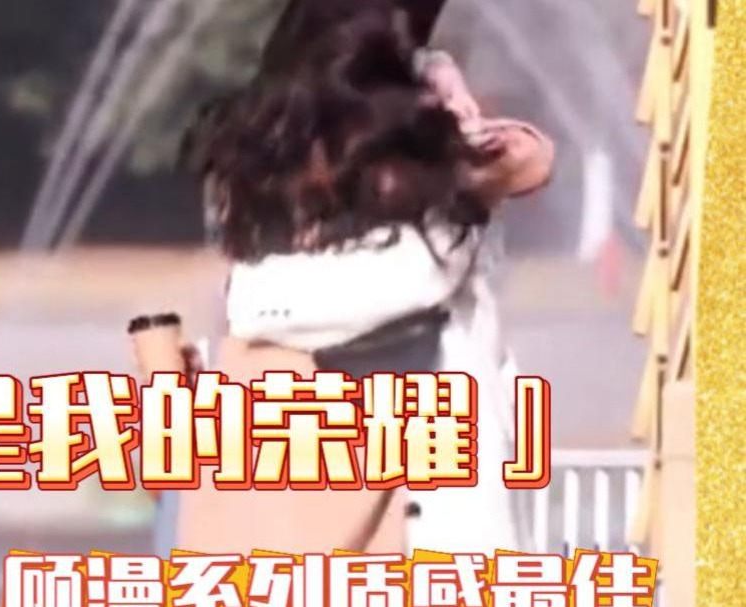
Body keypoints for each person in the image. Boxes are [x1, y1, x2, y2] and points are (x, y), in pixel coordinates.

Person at [170, 0, 554, 555]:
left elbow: (529, 158)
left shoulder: (260, 254)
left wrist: (430, 78)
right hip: (426, 533)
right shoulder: (429, 247)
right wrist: (445, 95)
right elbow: (527, 159)